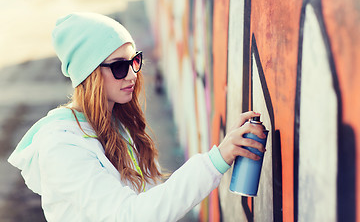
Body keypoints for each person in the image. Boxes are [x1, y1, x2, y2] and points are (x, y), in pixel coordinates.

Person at [8, 12, 266, 222]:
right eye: (119, 66)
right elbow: (129, 215)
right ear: (90, 75)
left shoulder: (118, 125)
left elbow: (153, 201)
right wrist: (216, 160)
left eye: (134, 61)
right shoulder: (62, 146)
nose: (132, 74)